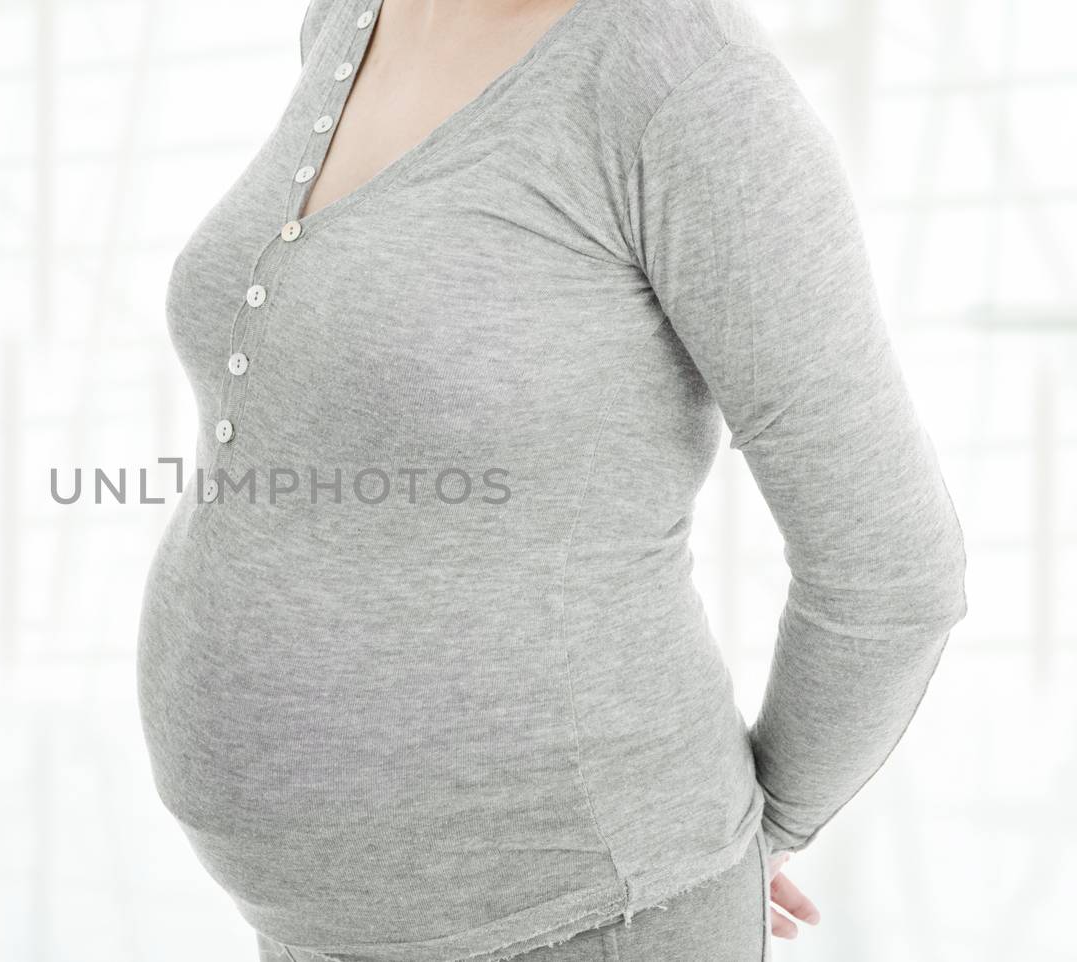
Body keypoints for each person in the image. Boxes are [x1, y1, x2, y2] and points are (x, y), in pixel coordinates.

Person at [134, 0, 970, 959]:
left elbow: (893, 564)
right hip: (310, 931)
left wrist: (751, 833)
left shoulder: (682, 76)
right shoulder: (350, 17)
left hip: (582, 920)